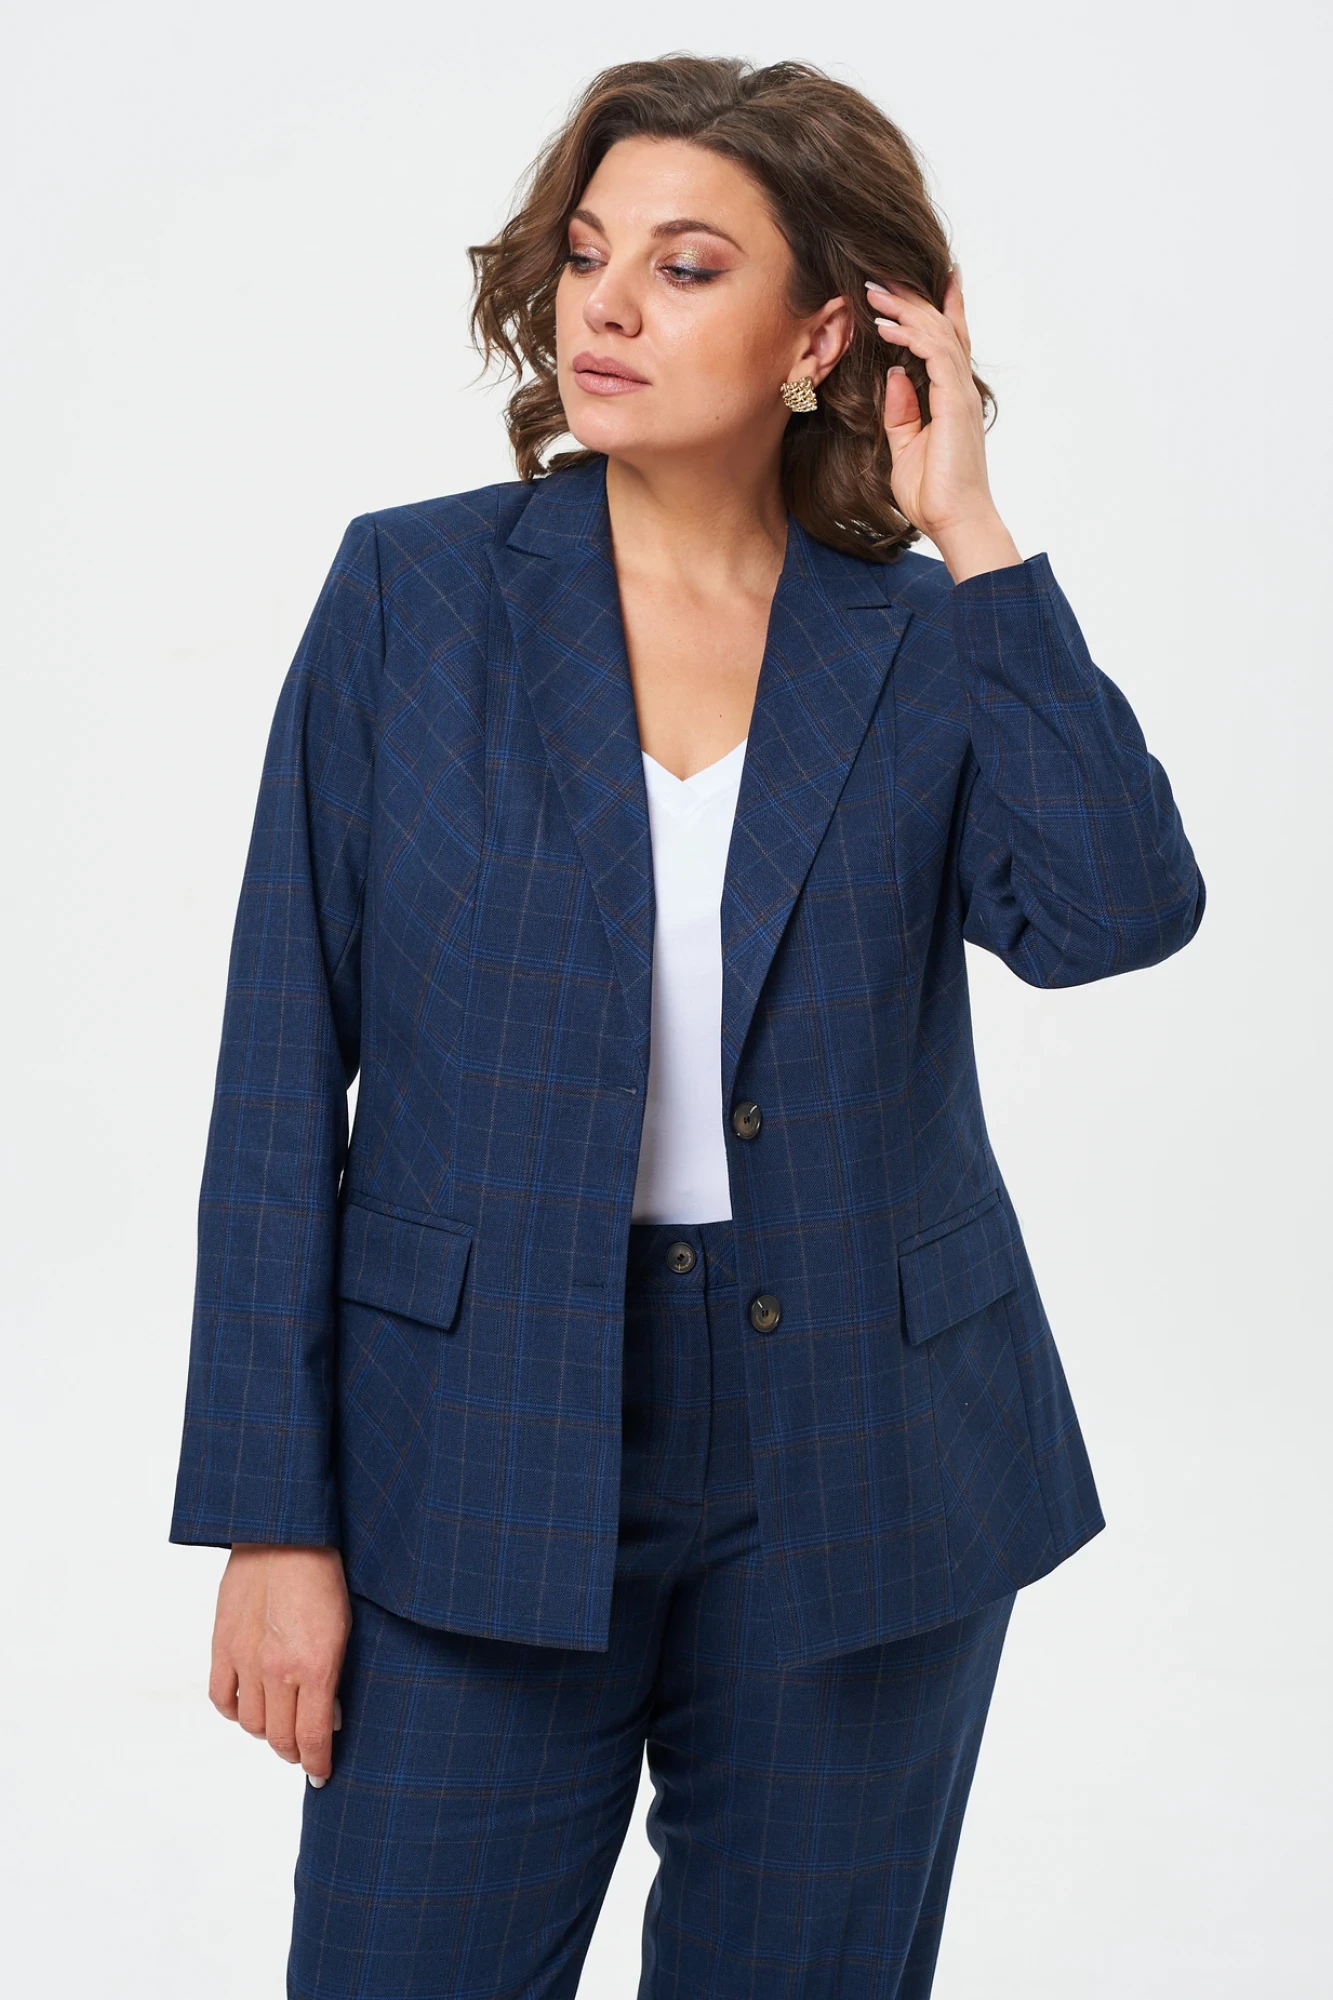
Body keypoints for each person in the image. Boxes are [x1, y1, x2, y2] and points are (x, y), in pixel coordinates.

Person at [170, 54, 1205, 2000]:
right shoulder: (413, 596)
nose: (610, 307)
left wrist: (974, 529)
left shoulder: (919, 639)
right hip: (472, 1435)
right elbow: (278, 1066)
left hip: (867, 1447)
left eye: (687, 264)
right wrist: (267, 1517)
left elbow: (1115, 916)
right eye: (588, 256)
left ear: (825, 334)